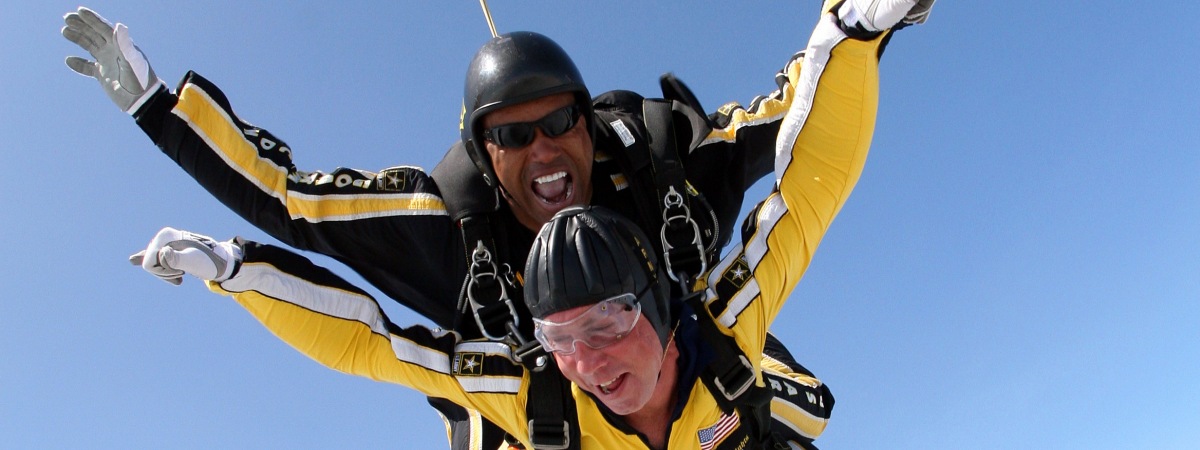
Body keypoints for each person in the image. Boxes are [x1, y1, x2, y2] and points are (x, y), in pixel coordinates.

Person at [61, 0, 933, 446]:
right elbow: (296, 205)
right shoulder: (447, 232)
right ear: (484, 157)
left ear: (591, 124)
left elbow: (799, 144)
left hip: (695, 367)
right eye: (512, 137)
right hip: (530, 412)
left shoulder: (666, 167)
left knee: (784, 403)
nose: (545, 148)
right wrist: (161, 113)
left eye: (560, 123)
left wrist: (858, 27)